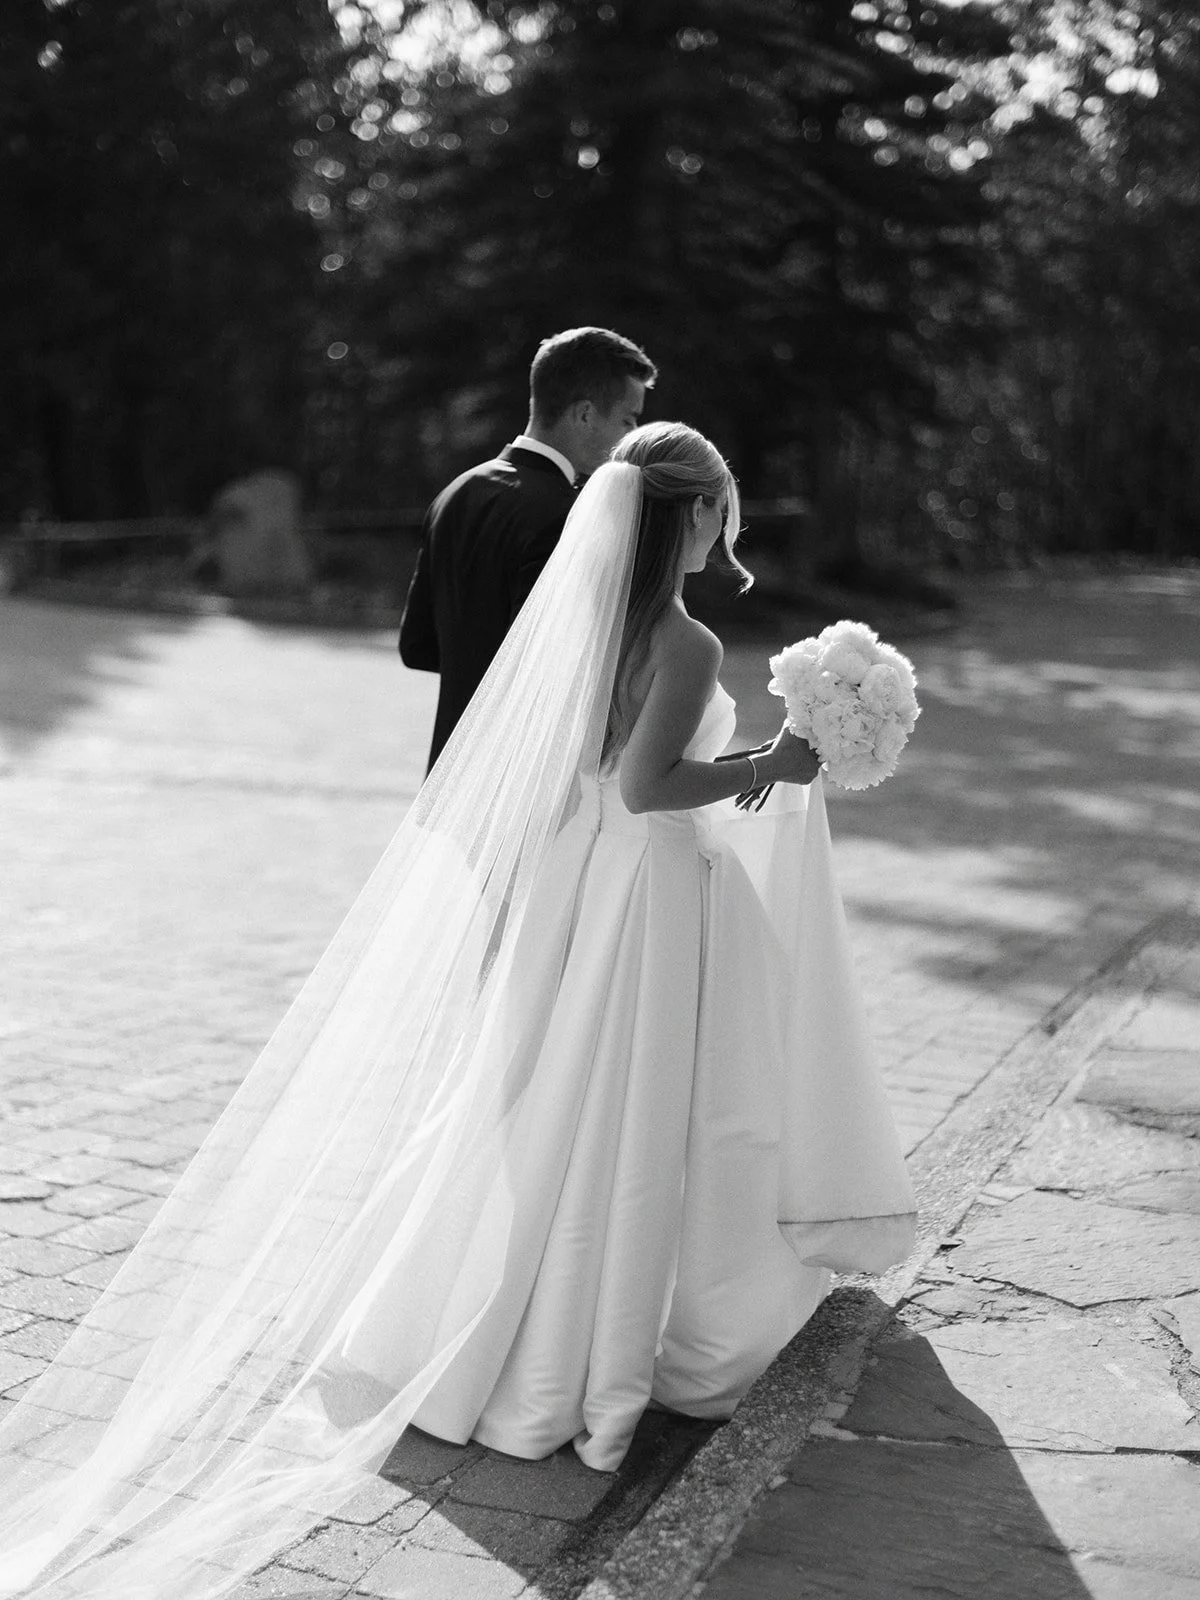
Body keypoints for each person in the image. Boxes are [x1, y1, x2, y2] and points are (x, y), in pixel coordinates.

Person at [0, 424, 915, 1600]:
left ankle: (497, 1305)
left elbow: (594, 774)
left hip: (578, 878)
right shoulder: (684, 642)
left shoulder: (591, 621)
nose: (723, 535)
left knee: (544, 1090)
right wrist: (768, 768)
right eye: (721, 513)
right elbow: (651, 787)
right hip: (648, 888)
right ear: (687, 514)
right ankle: (606, 1337)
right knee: (646, 1104)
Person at [399, 325, 657, 768]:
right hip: (522, 775)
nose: (631, 436)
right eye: (629, 419)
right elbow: (554, 668)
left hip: (449, 770)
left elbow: (418, 646)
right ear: (584, 414)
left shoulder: (456, 493)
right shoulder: (570, 516)